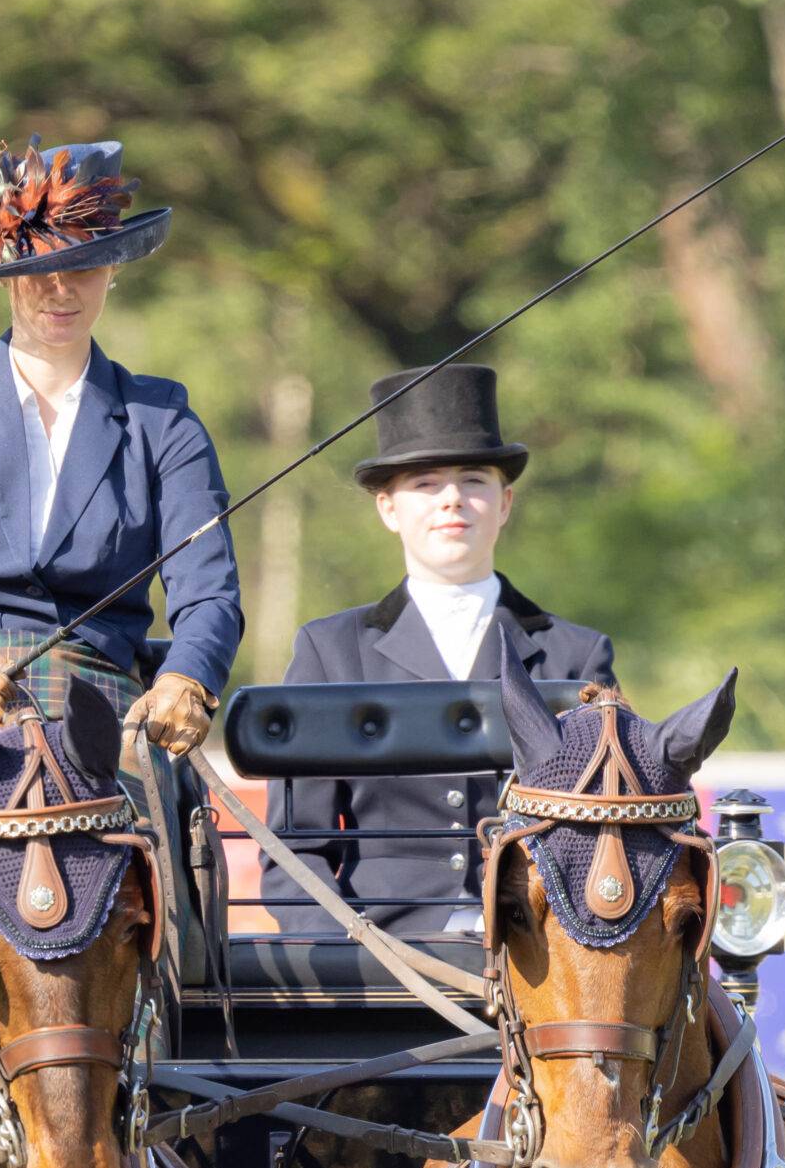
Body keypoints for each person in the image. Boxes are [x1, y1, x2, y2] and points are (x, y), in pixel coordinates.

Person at [0, 137, 241, 965]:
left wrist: (187, 678)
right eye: (37, 271)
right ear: (2, 276)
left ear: (113, 273)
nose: (59, 290)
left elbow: (208, 596)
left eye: (82, 267)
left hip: (104, 703)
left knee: (138, 892)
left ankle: (142, 1083)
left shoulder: (162, 421)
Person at [260, 363, 615, 939]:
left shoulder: (576, 654)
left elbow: (602, 838)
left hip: (544, 955)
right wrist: (342, 960)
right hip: (382, 951)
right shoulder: (329, 650)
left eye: (474, 480)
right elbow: (298, 848)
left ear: (504, 503)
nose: (452, 499)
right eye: (425, 484)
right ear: (388, 509)